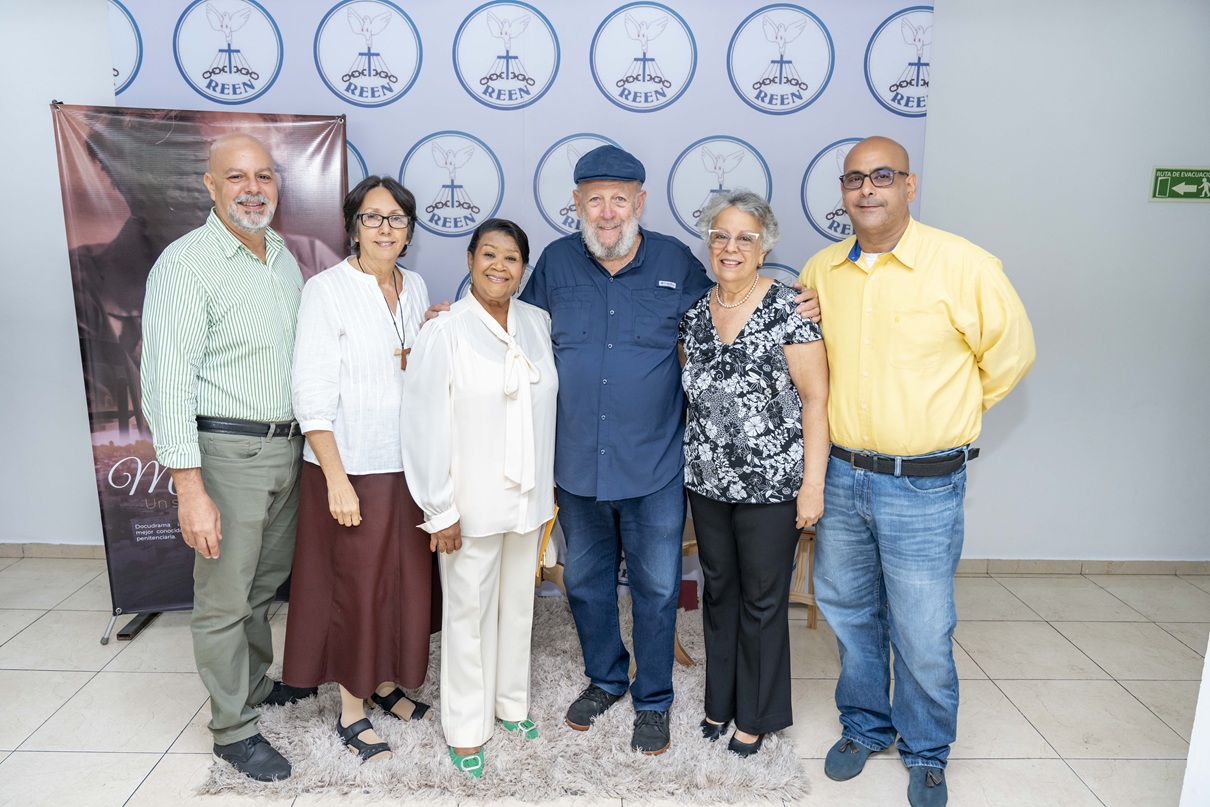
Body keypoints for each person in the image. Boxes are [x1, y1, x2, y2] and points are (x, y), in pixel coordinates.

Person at [517, 145, 820, 756]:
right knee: (586, 584)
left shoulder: (676, 262)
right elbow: (515, 332)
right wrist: (460, 318)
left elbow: (735, 300)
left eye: (619, 199)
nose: (607, 212)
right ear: (576, 204)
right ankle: (606, 679)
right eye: (595, 200)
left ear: (641, 202)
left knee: (657, 589)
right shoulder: (554, 263)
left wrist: (805, 301)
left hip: (654, 465)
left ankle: (653, 698)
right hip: (576, 465)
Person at [800, 136, 1035, 807]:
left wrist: (947, 411)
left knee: (923, 626)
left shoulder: (965, 265)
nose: (866, 189)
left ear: (909, 184)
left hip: (924, 484)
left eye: (882, 176)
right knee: (850, 613)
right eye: (854, 179)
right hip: (842, 473)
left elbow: (1011, 356)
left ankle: (927, 750)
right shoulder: (822, 270)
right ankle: (864, 726)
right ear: (843, 193)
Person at [141, 133, 317, 782]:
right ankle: (233, 730)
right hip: (225, 453)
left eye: (264, 176)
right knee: (223, 597)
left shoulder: (282, 258)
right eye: (236, 176)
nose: (252, 188)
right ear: (210, 186)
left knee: (262, 585)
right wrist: (190, 490)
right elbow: (166, 381)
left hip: (287, 449)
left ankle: (253, 683)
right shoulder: (186, 264)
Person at [282, 176, 439, 764]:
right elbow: (311, 393)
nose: (385, 228)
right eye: (372, 217)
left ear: (410, 231)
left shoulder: (415, 285)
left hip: (408, 465)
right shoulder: (326, 290)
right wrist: (336, 479)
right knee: (357, 588)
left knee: (401, 582)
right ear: (353, 227)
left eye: (397, 219)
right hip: (351, 467)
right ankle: (352, 709)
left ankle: (385, 684)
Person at [400, 219, 557, 778]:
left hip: (528, 501)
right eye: (489, 254)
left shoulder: (537, 323)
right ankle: (466, 728)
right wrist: (439, 508)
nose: (499, 266)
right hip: (468, 505)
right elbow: (423, 425)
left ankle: (510, 704)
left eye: (511, 258)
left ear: (523, 269)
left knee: (518, 606)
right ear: (469, 260)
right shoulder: (444, 330)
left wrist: (547, 498)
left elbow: (546, 412)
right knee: (467, 615)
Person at [679, 191, 829, 758]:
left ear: (764, 246)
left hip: (773, 486)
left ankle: (757, 715)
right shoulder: (694, 315)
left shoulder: (792, 309)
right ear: (708, 243)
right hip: (707, 482)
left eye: (745, 237)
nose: (731, 246)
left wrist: (812, 485)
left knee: (763, 601)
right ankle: (720, 701)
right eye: (720, 235)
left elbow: (816, 400)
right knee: (719, 593)